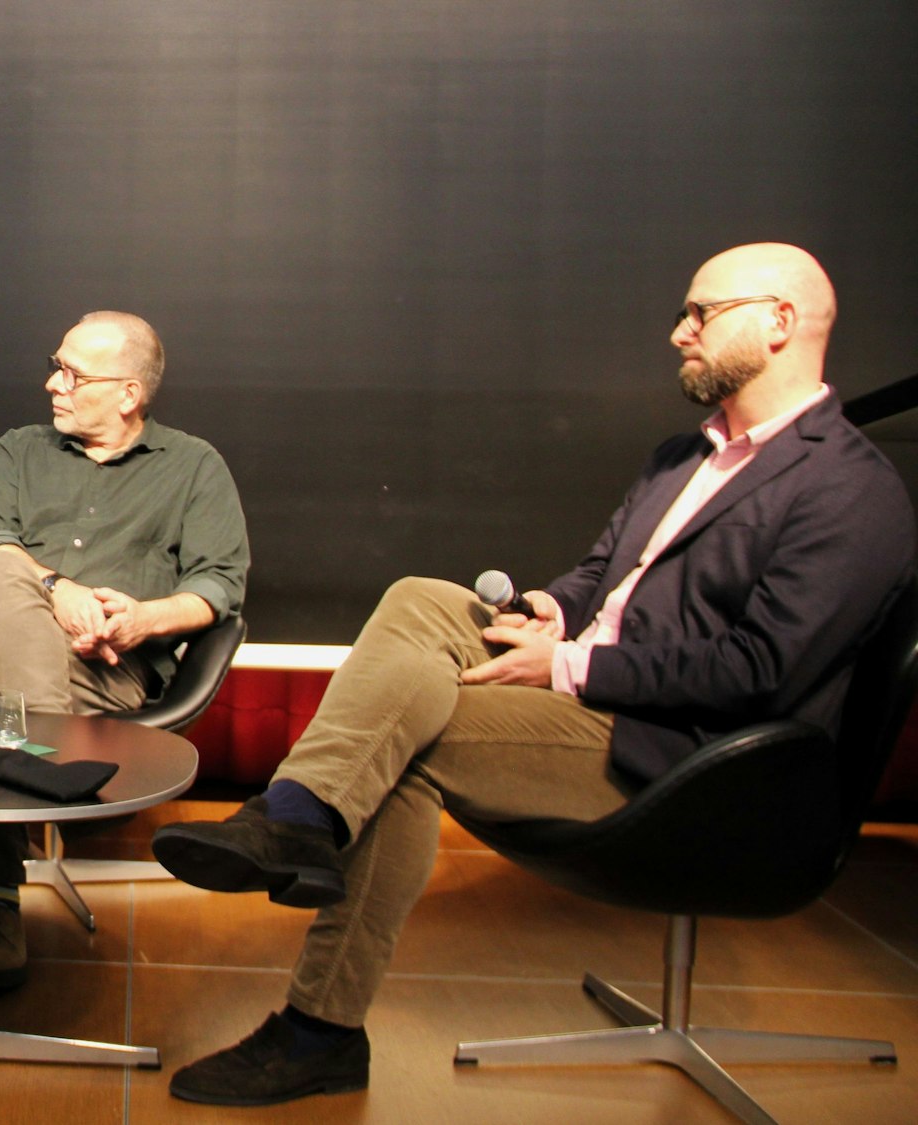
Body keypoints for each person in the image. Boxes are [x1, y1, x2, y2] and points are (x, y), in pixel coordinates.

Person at [149, 243, 916, 1107]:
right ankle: (297, 818)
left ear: (780, 321)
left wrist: (572, 662)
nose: (679, 333)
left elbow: (762, 672)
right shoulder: (681, 457)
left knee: (406, 745)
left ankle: (317, 1016)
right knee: (417, 598)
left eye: (701, 314)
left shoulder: (849, 489)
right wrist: (555, 609)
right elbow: (602, 576)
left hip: (696, 759)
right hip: (597, 687)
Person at [0, 310, 250, 991]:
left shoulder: (195, 467)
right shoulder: (17, 450)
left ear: (129, 393)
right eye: (56, 364)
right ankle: (52, 772)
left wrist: (144, 618)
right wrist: (56, 589)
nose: (54, 383)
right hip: (6, 619)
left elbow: (219, 584)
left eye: (73, 373)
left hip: (103, 667)